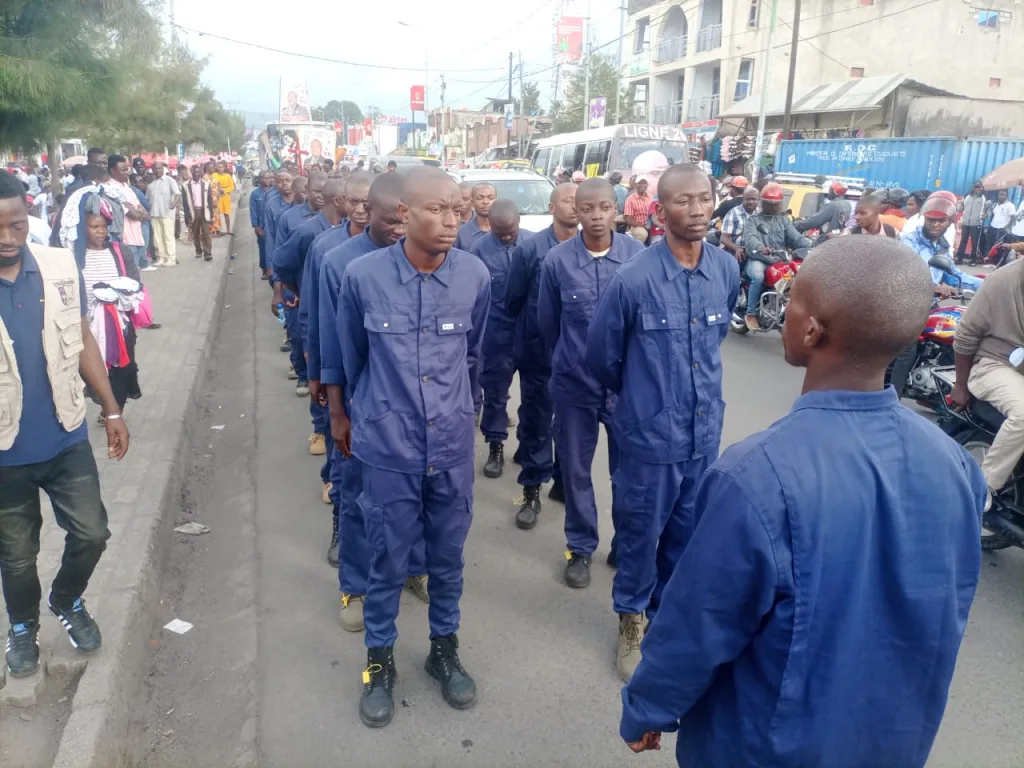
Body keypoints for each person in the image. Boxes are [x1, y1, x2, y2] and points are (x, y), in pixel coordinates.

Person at [619, 235, 986, 766]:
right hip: (894, 740)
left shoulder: (755, 477)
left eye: (792, 300)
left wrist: (648, 707)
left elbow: (698, 626)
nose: (785, 307)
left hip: (764, 745)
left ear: (811, 329)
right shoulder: (955, 465)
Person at [338, 167, 489, 728]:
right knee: (386, 559)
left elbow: (477, 355)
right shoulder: (362, 277)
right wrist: (355, 416)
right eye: (438, 209)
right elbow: (353, 359)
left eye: (457, 209)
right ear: (405, 214)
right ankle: (379, 662)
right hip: (388, 448)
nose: (452, 220)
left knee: (447, 559)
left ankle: (442, 651)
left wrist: (465, 413)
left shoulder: (474, 275)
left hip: (449, 444)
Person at [586, 165, 739, 681]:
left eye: (704, 199)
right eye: (682, 201)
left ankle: (666, 617)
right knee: (640, 533)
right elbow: (603, 359)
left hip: (703, 434)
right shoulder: (634, 280)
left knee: (687, 534)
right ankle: (631, 620)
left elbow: (712, 345)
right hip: (649, 437)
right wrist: (645, 401)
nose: (696, 210)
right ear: (659, 209)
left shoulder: (725, 269)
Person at [0, 172, 131, 678]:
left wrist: (111, 406)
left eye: (16, 226)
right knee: (15, 556)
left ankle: (66, 600)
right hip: (6, 454)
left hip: (65, 435)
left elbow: (80, 336)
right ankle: (22, 627)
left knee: (93, 533)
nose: (8, 240)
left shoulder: (57, 265)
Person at [319, 172, 428, 628]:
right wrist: (338, 413)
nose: (400, 231)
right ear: (368, 214)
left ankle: (413, 570)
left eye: (408, 221)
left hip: (418, 414)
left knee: (419, 496)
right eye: (391, 222)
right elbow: (332, 347)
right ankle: (356, 588)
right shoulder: (341, 263)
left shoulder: (435, 261)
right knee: (360, 500)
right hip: (365, 413)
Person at [538, 179, 644, 590]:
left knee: (628, 473)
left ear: (616, 209)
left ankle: (624, 543)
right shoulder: (556, 262)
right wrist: (567, 360)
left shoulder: (637, 257)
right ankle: (580, 547)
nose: (596, 216)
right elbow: (548, 325)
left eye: (604, 207)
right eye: (588, 209)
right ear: (575, 212)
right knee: (576, 470)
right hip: (574, 385)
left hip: (625, 389)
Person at [505, 183, 578, 523]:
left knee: (573, 426)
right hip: (538, 355)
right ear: (552, 207)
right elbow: (512, 300)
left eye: (581, 200)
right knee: (537, 422)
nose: (575, 206)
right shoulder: (531, 250)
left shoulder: (592, 251)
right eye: (568, 200)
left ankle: (563, 482)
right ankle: (532, 489)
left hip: (579, 360)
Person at [303, 174, 368, 515]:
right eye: (354, 202)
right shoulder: (328, 251)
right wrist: (315, 371)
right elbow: (317, 317)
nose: (360, 210)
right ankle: (340, 524)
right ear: (342, 202)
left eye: (367, 203)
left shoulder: (398, 251)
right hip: (338, 371)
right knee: (341, 451)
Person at [952, 255, 1024, 509]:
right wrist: (960, 385)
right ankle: (984, 485)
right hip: (993, 364)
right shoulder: (1002, 281)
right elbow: (966, 335)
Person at [470, 199, 530, 480]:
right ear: (490, 225)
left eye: (511, 231)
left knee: (536, 396)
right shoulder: (478, 251)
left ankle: (528, 444)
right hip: (496, 336)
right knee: (495, 395)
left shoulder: (533, 245)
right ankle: (495, 445)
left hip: (531, 335)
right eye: (500, 232)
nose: (507, 236)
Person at [78, 203, 143, 411]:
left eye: (103, 226)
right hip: (87, 327)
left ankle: (115, 411)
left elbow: (134, 283)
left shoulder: (119, 251)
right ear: (83, 229)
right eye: (93, 227)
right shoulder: (76, 256)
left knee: (119, 370)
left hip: (118, 324)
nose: (100, 231)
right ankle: (105, 403)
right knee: (94, 369)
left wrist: (117, 295)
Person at [272, 173, 324, 398]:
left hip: (323, 295)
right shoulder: (290, 219)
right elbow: (280, 258)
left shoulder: (338, 221)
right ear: (305, 192)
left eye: (325, 192)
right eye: (314, 191)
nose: (320, 196)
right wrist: (281, 290)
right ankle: (303, 373)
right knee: (297, 334)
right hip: (297, 289)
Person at [742, 181, 811, 331]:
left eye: (775, 204)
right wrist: (761, 247)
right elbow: (750, 238)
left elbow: (795, 237)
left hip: (779, 259)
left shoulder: (784, 221)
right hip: (758, 259)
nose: (773, 206)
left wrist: (810, 244)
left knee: (795, 279)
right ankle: (751, 313)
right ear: (763, 203)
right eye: (769, 203)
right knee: (758, 277)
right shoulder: (753, 220)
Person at [901, 193, 982, 294]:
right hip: (908, 304)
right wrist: (933, 287)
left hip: (929, 303)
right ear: (924, 218)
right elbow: (905, 276)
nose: (935, 224)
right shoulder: (910, 242)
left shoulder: (943, 247)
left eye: (941, 221)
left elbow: (954, 276)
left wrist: (985, 284)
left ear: (950, 221)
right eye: (930, 219)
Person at [103, 155, 151, 271]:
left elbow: (145, 214)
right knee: (130, 276)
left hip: (137, 236)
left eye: (127, 169)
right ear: (112, 170)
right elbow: (134, 214)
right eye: (123, 170)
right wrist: (136, 211)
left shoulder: (127, 188)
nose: (128, 172)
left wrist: (134, 210)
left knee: (136, 275)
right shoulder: (110, 188)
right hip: (125, 239)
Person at [263, 171, 296, 280]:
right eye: (280, 182)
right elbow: (269, 235)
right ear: (275, 185)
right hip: (280, 254)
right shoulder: (271, 205)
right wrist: (269, 265)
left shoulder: (302, 202)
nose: (284, 184)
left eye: (288, 181)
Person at [147, 162, 180, 267]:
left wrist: (174, 203)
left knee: (168, 236)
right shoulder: (150, 185)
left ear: (163, 169)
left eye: (159, 168)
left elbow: (177, 194)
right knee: (157, 238)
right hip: (154, 214)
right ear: (152, 170)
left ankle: (171, 258)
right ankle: (161, 258)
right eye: (155, 169)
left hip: (167, 214)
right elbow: (147, 199)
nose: (157, 171)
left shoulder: (170, 181)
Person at [182, 163, 215, 261]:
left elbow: (210, 201)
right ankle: (198, 251)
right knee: (195, 233)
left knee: (206, 233)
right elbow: (185, 203)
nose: (196, 174)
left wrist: (212, 215)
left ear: (201, 173)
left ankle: (208, 253)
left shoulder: (206, 184)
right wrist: (187, 217)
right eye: (194, 172)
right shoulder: (185, 186)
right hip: (193, 212)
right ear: (191, 172)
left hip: (204, 211)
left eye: (198, 172)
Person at [452, 182, 495, 251]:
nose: (485, 202)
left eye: (490, 198)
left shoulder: (505, 230)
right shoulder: (461, 233)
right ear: (472, 202)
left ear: (496, 200)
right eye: (480, 198)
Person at [719, 186, 759, 259]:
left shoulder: (760, 215)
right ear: (743, 199)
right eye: (748, 199)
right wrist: (737, 248)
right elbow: (724, 238)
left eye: (753, 199)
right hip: (734, 252)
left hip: (755, 253)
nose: (751, 202)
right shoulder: (733, 213)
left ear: (758, 200)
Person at [957, 181, 989, 265]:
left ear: (982, 187)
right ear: (973, 187)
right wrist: (959, 207)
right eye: (976, 187)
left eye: (979, 187)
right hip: (965, 223)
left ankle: (973, 260)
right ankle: (959, 258)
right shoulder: (967, 196)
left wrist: (985, 215)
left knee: (975, 243)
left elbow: (988, 210)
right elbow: (961, 208)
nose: (978, 189)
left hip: (976, 224)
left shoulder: (984, 198)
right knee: (963, 241)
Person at [129, 173, 155, 272]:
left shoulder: (136, 190)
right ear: (132, 182)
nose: (140, 183)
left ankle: (142, 262)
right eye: (137, 181)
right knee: (143, 242)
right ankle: (143, 263)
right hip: (143, 220)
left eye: (141, 181)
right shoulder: (135, 191)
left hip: (138, 219)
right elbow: (146, 206)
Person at [250, 170, 274, 279]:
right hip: (262, 226)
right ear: (260, 179)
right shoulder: (255, 194)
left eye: (270, 177)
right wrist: (256, 226)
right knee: (263, 248)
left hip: (273, 226)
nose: (268, 180)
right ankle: (264, 270)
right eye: (265, 177)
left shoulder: (275, 191)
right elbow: (253, 210)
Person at [986, 188, 1016, 256]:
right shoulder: (995, 205)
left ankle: (995, 260)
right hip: (992, 227)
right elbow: (993, 215)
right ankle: (988, 259)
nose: (1001, 196)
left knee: (997, 247)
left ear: (1006, 196)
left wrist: (1007, 227)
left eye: (1003, 195)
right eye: (1000, 195)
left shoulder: (1010, 205)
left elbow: (1013, 218)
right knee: (989, 245)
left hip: (1001, 229)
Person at [211, 161, 236, 236]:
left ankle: (228, 230)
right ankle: (216, 230)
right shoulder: (214, 175)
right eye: (218, 167)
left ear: (224, 168)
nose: (220, 168)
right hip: (216, 196)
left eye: (221, 167)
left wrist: (224, 190)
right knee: (216, 214)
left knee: (226, 214)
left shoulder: (228, 176)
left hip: (225, 196)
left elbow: (232, 187)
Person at [624, 177, 653, 241]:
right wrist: (644, 227)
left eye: (644, 183)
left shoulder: (651, 197)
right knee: (642, 234)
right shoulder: (630, 199)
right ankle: (637, 250)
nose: (642, 185)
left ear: (647, 185)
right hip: (637, 227)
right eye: (640, 183)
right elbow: (629, 220)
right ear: (636, 185)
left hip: (651, 226)